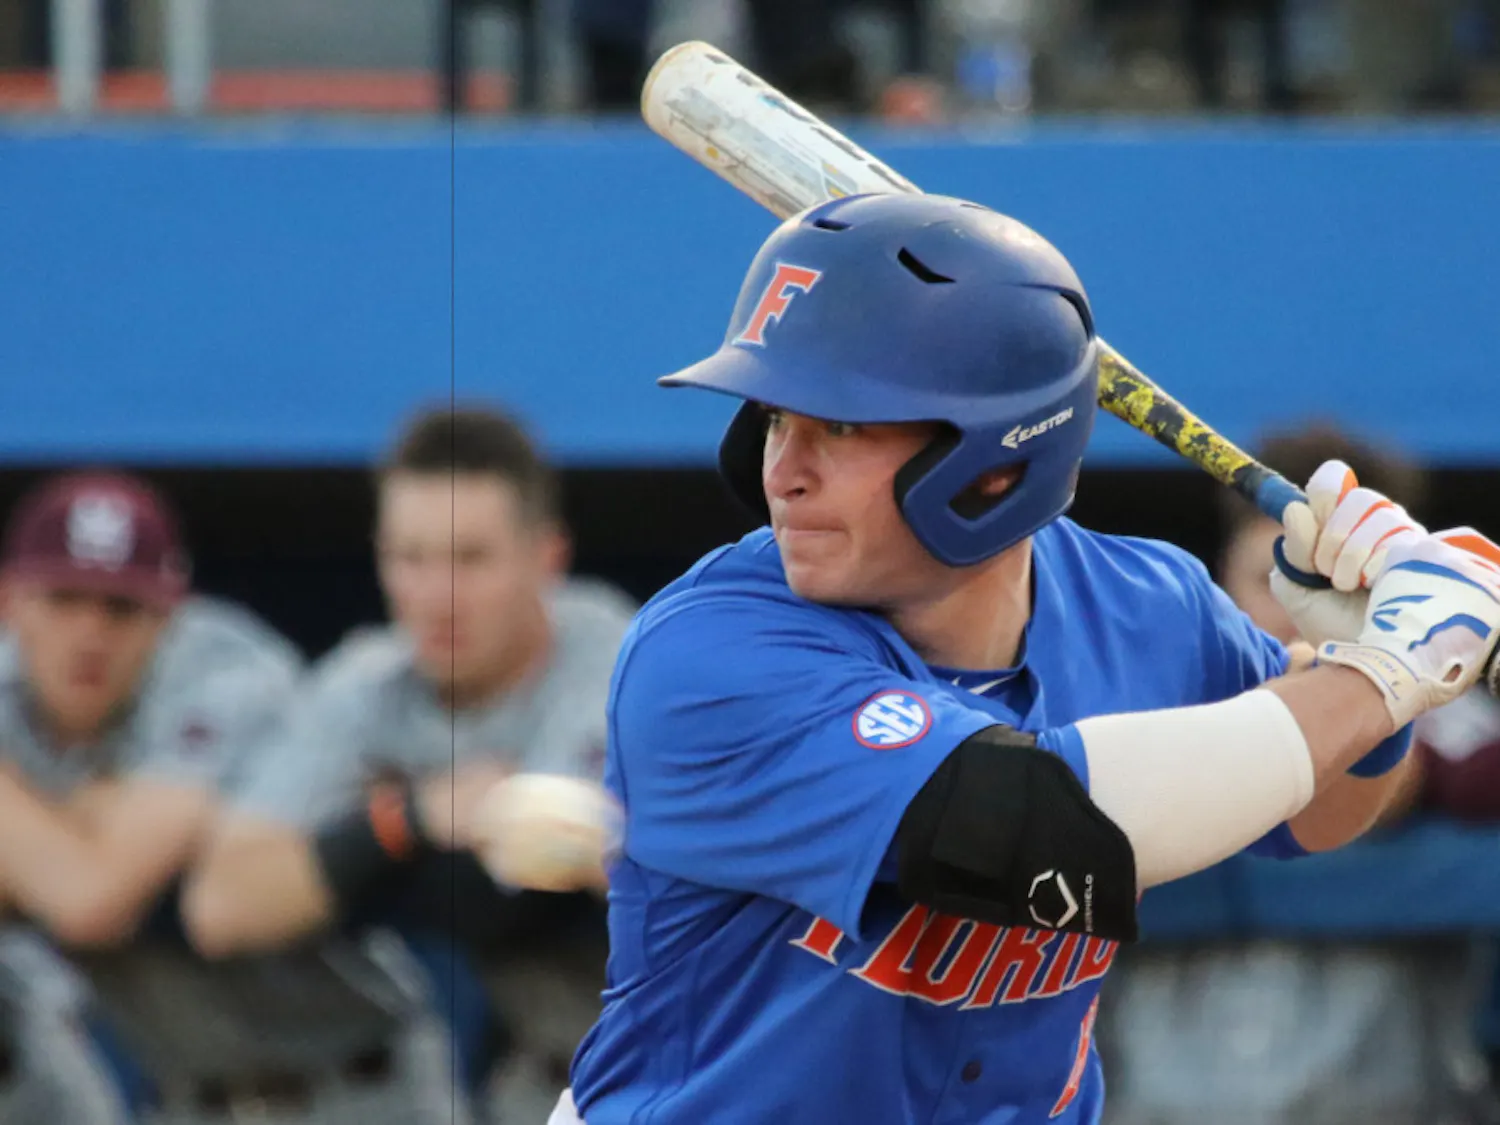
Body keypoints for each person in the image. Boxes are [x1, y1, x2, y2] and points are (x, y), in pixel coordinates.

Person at [553, 192, 1500, 1125]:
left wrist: (1358, 654)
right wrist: (1386, 669)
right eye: (773, 416)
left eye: (839, 425)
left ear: (996, 463)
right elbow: (1038, 830)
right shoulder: (709, 652)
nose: (782, 470)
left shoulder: (1150, 605)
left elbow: (1324, 809)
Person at [183, 405, 636, 1119]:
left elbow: (595, 852)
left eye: (470, 558)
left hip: (686, 1064)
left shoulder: (620, 659)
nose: (436, 594)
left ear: (546, 557)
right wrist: (407, 815)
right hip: (542, 1073)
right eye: (410, 557)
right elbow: (223, 904)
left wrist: (505, 815)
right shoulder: (372, 681)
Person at [0, 469, 302, 1120]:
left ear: (169, 615)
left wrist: (27, 838)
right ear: (10, 602)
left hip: (347, 1075)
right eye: (63, 598)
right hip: (187, 1091)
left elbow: (93, 897)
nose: (90, 633)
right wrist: (89, 818)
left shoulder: (227, 670)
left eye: (120, 606)